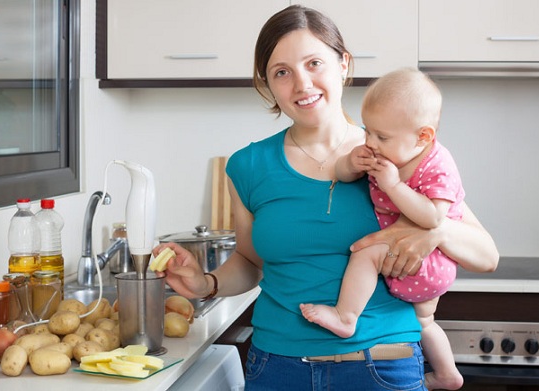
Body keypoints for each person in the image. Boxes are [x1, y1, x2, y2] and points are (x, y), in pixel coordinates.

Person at [153, 5, 498, 391]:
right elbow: (251, 262)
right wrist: (205, 284)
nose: (302, 84)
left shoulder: (400, 152)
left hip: (384, 368)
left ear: (344, 64)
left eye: (314, 63)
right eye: (282, 72)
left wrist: (434, 232)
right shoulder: (247, 166)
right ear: (268, 84)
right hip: (276, 368)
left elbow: (487, 255)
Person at [300, 67, 465, 390]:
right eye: (368, 132)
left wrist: (393, 186)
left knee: (365, 253)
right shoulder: (389, 154)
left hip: (427, 262)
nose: (371, 143)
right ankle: (447, 374)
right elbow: (344, 175)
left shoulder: (438, 164)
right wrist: (351, 163)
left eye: (382, 137)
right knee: (425, 321)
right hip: (418, 266)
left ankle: (346, 317)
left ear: (423, 136)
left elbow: (433, 218)